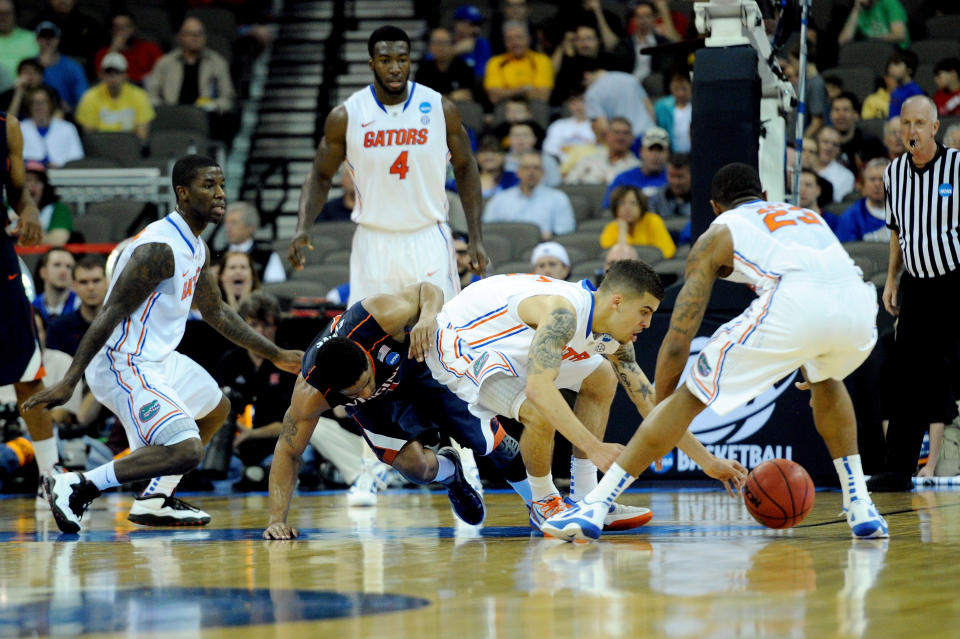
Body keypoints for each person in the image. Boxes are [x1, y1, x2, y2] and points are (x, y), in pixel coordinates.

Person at [543, 163, 888, 541]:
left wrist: (663, 413)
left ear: (715, 208)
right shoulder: (807, 217)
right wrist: (808, 354)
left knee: (689, 397)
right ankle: (860, 504)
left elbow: (679, 337)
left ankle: (594, 506)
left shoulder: (719, 233)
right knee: (827, 379)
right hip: (858, 307)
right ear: (766, 197)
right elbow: (820, 290)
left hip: (795, 303)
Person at [24, 155, 303, 533]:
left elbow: (217, 312)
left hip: (157, 359)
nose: (220, 193)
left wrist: (276, 355)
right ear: (183, 194)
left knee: (217, 408)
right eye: (209, 185)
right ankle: (78, 485)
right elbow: (109, 314)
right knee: (187, 449)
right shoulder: (159, 249)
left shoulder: (195, 247)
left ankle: (155, 499)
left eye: (221, 185)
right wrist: (71, 380)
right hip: (123, 363)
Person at [286, 26, 489, 505]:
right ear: (371, 62)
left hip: (428, 235)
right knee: (360, 355)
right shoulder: (347, 115)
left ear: (410, 60)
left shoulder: (440, 107)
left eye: (402, 58)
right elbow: (319, 173)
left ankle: (469, 460)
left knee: (445, 353)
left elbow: (465, 168)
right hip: (374, 240)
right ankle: (372, 468)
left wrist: (475, 235)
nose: (395, 67)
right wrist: (303, 227)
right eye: (386, 59)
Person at [427, 261, 744, 531]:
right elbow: (539, 390)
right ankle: (544, 504)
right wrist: (594, 448)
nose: (647, 323)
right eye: (644, 312)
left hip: (516, 348)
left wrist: (708, 461)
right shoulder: (563, 315)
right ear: (616, 302)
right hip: (463, 340)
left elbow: (648, 401)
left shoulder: (614, 339)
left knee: (602, 377)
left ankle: (586, 500)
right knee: (540, 408)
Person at [262, 282, 531, 539]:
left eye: (366, 382)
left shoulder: (379, 316)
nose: (365, 393)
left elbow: (428, 290)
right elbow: (288, 451)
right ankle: (451, 474)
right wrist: (277, 520)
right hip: (378, 409)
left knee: (495, 444)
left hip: (417, 366)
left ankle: (540, 504)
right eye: (353, 394)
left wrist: (427, 317)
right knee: (417, 469)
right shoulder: (311, 393)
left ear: (366, 355)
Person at [868, 96, 960, 492]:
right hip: (917, 286)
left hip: (956, 279)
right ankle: (897, 469)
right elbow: (896, 232)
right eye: (906, 123)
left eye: (920, 123)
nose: (912, 131)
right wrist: (892, 279)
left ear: (935, 128)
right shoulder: (893, 174)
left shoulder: (958, 166)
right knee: (907, 377)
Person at [0, 106, 63, 503]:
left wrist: (29, 209)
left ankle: (50, 477)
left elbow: (19, 191)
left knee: (26, 369)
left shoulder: (8, 127)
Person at [213, 292, 295, 486]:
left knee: (306, 452)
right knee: (210, 458)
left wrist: (253, 434)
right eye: (253, 325)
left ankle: (264, 472)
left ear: (276, 326)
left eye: (267, 325)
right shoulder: (230, 361)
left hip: (277, 443)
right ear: (242, 327)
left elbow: (295, 421)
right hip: (235, 446)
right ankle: (248, 474)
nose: (260, 331)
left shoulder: (290, 362)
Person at [145, 17, 236, 116]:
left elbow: (228, 98)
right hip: (171, 114)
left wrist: (214, 106)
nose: (196, 38)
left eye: (200, 34)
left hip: (206, 116)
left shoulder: (218, 62)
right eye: (190, 34)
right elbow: (151, 94)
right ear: (180, 37)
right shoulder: (165, 63)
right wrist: (164, 109)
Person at [483, 150, 576, 240]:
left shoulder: (558, 198)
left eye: (536, 168)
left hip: (543, 249)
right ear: (518, 172)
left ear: (543, 172)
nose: (531, 172)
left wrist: (548, 236)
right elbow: (489, 231)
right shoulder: (500, 199)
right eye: (526, 168)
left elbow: (565, 233)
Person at [75, 52, 154, 143]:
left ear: (126, 75)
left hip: (130, 149)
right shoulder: (89, 97)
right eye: (108, 72)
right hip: (101, 149)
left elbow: (142, 135)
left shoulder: (140, 96)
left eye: (117, 72)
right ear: (101, 75)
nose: (112, 77)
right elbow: (90, 136)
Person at [44, 255, 107, 357]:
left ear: (107, 282)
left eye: (96, 281)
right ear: (74, 286)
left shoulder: (122, 326)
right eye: (83, 282)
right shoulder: (58, 329)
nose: (91, 287)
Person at [483, 21, 554, 105]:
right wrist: (523, 90)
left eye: (519, 37)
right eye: (510, 39)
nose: (515, 43)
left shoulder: (542, 60)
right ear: (505, 42)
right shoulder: (495, 62)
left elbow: (543, 97)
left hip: (534, 108)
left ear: (528, 39)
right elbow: (494, 97)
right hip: (505, 108)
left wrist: (506, 92)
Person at [214, 202, 286, 283]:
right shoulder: (216, 257)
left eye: (234, 223)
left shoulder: (267, 256)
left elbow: (276, 288)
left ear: (250, 228)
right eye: (226, 223)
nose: (228, 228)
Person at [599, 184, 676, 257]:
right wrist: (622, 233)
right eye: (622, 203)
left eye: (633, 203)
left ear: (641, 205)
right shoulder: (611, 228)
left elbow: (667, 252)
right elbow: (610, 258)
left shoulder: (653, 220)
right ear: (615, 208)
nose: (627, 208)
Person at [563, 116, 639, 186]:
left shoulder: (636, 167)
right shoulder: (589, 159)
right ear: (607, 136)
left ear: (631, 138)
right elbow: (569, 183)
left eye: (625, 133)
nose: (621, 137)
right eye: (616, 132)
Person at [603, 126, 669, 206]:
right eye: (651, 149)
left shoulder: (674, 179)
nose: (656, 155)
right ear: (641, 152)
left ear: (667, 154)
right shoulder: (623, 179)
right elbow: (608, 210)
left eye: (660, 150)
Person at [20, 85, 83, 167]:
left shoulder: (68, 128)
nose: (38, 107)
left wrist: (59, 166)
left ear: (50, 104)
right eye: (34, 102)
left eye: (42, 102)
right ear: (29, 106)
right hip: (30, 175)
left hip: (62, 175)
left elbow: (77, 157)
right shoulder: (20, 128)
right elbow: (16, 159)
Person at [93, 12, 163, 86]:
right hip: (116, 90)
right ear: (111, 31)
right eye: (118, 27)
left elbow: (164, 72)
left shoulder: (150, 48)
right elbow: (100, 79)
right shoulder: (103, 52)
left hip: (145, 89)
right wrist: (113, 49)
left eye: (127, 26)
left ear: (134, 28)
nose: (123, 31)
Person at [835, 157, 891, 243]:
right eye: (872, 179)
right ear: (864, 184)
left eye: (882, 179)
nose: (877, 184)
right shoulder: (850, 217)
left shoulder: (908, 214)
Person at [35, 21, 86, 112]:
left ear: (58, 39)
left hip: (65, 115)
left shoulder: (73, 67)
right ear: (37, 39)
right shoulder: (29, 65)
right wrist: (41, 67)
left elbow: (82, 100)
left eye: (51, 36)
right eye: (43, 37)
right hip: (32, 116)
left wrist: (69, 110)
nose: (47, 40)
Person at [415, 28, 476, 103]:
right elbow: (421, 101)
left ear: (452, 45)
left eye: (444, 43)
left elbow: (469, 96)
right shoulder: (423, 70)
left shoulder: (464, 68)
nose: (439, 47)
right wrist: (451, 97)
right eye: (435, 42)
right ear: (430, 47)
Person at [23, 161, 73, 246]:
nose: (32, 186)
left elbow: (58, 241)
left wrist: (23, 232)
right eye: (27, 181)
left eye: (38, 181)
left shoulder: (58, 209)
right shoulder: (6, 207)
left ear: (45, 186)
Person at [32, 246, 78, 324]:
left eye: (69, 267)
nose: (63, 271)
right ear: (43, 272)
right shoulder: (31, 308)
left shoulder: (81, 306)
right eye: (57, 265)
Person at [838, 0, 909, 49]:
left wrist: (870, 40)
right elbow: (843, 41)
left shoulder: (889, 3)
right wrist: (856, 10)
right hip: (873, 49)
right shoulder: (859, 10)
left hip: (895, 51)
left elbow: (900, 35)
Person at [654, 68, 692, 153]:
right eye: (677, 89)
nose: (681, 93)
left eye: (684, 89)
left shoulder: (696, 106)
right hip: (671, 151)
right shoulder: (661, 107)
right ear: (671, 89)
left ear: (690, 88)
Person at [814, 126, 855, 202]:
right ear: (816, 143)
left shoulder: (846, 176)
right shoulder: (802, 167)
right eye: (825, 142)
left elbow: (835, 206)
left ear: (839, 150)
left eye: (835, 145)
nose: (829, 147)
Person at [0, 0, 38, 80]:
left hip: (26, 88)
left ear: (15, 15)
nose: (2, 17)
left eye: (7, 13)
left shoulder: (32, 38)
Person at [647, 152, 691, 218]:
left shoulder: (701, 199)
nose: (676, 182)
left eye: (680, 176)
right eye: (672, 176)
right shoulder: (656, 199)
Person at [886, 49, 924, 120]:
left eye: (896, 64)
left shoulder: (915, 92)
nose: (891, 68)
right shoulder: (895, 91)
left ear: (909, 69)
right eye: (890, 65)